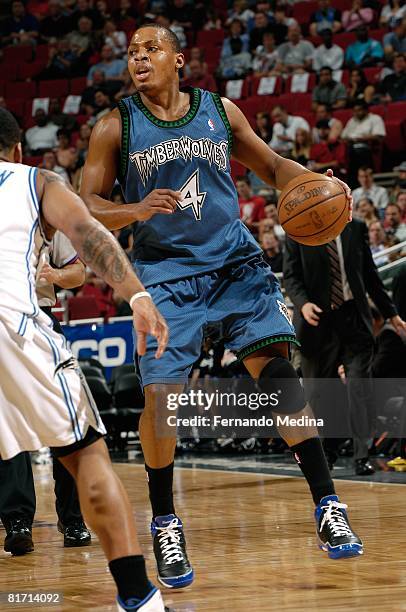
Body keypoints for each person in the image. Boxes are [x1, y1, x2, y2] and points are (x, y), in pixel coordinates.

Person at [80, 24, 366, 591]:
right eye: (132, 52)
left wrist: (317, 183)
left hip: (235, 265)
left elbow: (275, 168)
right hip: (166, 276)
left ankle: (328, 505)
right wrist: (134, 211)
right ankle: (164, 519)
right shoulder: (116, 125)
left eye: (151, 50)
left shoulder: (220, 111)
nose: (139, 59)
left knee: (282, 380)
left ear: (179, 59)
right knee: (162, 398)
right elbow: (86, 202)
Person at [0, 108, 169, 611]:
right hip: (13, 328)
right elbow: (87, 232)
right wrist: (138, 298)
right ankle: (139, 598)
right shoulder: (35, 180)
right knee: (87, 456)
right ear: (15, 150)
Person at [283, 218, 405, 475]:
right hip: (317, 321)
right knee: (321, 394)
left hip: (353, 319)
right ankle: (326, 452)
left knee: (359, 388)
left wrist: (391, 314)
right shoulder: (297, 229)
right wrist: (303, 303)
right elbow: (292, 277)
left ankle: (362, 454)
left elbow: (370, 275)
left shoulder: (356, 227)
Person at [0, 232, 91, 556]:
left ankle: (73, 518)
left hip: (40, 319)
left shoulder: (43, 211)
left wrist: (53, 275)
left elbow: (78, 271)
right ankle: (17, 522)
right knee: (8, 425)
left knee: (65, 419)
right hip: (2, 323)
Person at [341, 100, 386, 182]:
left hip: (367, 146)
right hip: (351, 146)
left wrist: (361, 138)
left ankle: (360, 179)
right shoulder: (352, 120)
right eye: (354, 111)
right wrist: (350, 140)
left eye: (359, 110)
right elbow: (343, 136)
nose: (356, 113)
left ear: (366, 110)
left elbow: (379, 136)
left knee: (358, 152)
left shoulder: (375, 119)